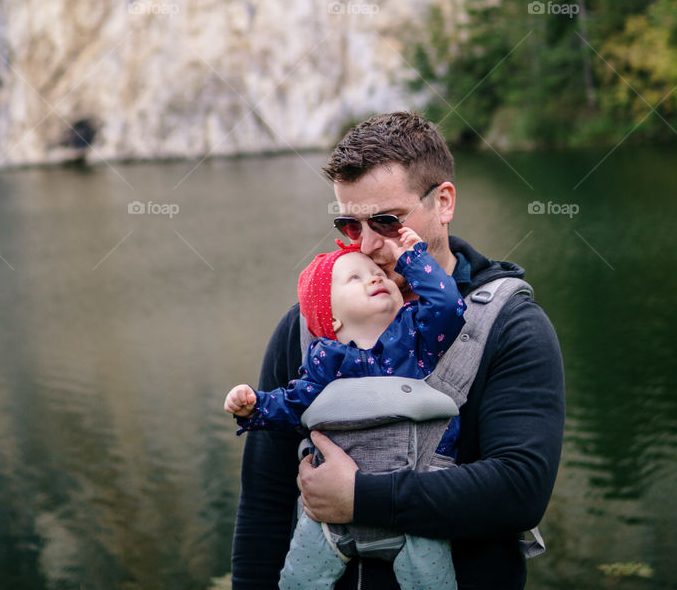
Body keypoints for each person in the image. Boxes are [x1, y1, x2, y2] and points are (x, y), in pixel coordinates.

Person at [230, 113, 566, 590]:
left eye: (387, 221)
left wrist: (361, 497)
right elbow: (264, 498)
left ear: (443, 202)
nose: (366, 244)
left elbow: (519, 490)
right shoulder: (308, 327)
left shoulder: (512, 325)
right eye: (349, 223)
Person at [224, 230, 467, 590]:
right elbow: (293, 404)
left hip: (415, 509)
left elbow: (448, 305)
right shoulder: (324, 361)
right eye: (355, 277)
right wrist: (253, 407)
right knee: (299, 577)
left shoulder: (416, 339)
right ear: (331, 318)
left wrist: (413, 258)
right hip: (330, 524)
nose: (376, 277)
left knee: (434, 581)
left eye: (381, 274)